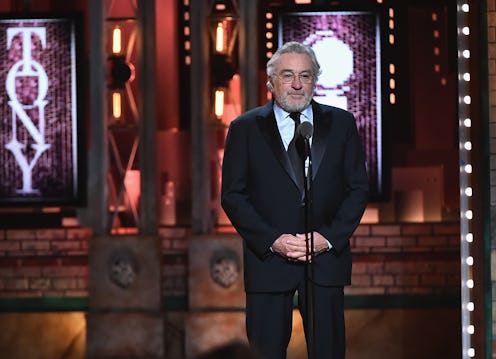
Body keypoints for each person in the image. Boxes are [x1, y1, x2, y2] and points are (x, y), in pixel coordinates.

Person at [221, 41, 369, 359]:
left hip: (325, 261)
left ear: (316, 80)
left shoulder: (342, 124)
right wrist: (273, 240)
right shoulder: (244, 128)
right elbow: (233, 195)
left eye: (305, 75)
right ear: (271, 81)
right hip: (269, 261)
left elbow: (357, 189)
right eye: (288, 75)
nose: (297, 84)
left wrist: (327, 238)